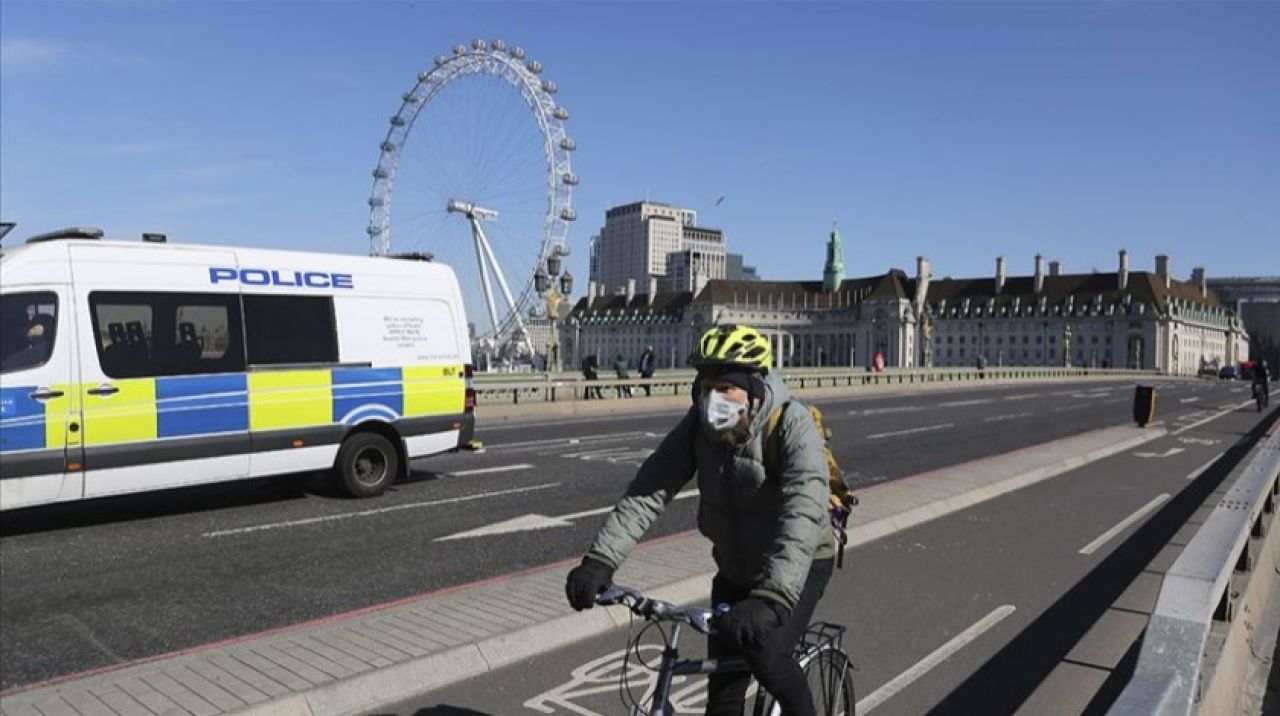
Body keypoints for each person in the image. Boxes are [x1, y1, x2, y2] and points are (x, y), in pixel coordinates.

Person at [566, 324, 834, 716]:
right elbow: (650, 488)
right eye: (706, 388)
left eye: (725, 388)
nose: (713, 400)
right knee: (722, 696)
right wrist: (599, 561)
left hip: (801, 563)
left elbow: (803, 511)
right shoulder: (698, 427)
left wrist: (773, 597)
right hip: (735, 567)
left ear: (754, 390)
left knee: (767, 657)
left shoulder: (790, 424)